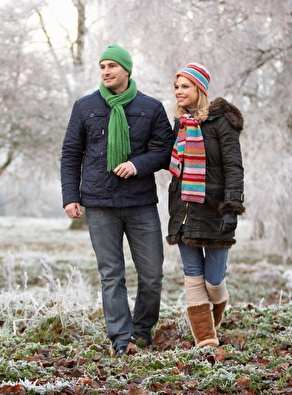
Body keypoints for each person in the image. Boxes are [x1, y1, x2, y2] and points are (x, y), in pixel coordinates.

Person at [60, 44, 174, 356]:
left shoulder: (151, 108)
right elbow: (71, 154)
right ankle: (122, 340)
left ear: (126, 69)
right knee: (112, 275)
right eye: (102, 66)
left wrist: (139, 165)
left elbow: (166, 150)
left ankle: (141, 331)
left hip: (140, 203)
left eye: (112, 66)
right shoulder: (85, 107)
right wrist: (71, 196)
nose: (106, 71)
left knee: (152, 275)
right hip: (99, 204)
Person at [166, 63, 245, 347]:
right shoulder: (180, 125)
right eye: (176, 87)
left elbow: (234, 167)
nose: (178, 92)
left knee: (213, 280)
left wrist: (232, 208)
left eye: (184, 86)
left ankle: (214, 317)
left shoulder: (222, 123)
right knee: (192, 276)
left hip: (214, 210)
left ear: (199, 89)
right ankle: (206, 339)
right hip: (184, 210)